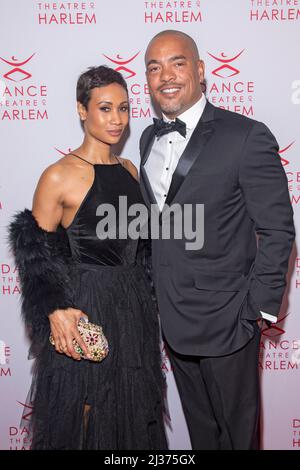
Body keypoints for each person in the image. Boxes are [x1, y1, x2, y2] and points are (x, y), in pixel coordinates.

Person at [139, 30, 295, 450]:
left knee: (238, 440)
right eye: (154, 67)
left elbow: (278, 230)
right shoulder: (148, 139)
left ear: (201, 70)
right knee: (203, 437)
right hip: (173, 320)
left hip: (229, 322)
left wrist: (257, 311)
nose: (165, 75)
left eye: (177, 62)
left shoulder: (246, 136)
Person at [8, 65, 167, 450]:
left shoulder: (130, 169)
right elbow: (36, 255)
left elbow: (142, 246)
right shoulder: (58, 176)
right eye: (105, 108)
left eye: (124, 108)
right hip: (84, 307)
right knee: (84, 414)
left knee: (133, 411)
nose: (117, 120)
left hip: (134, 309)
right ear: (82, 110)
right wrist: (54, 309)